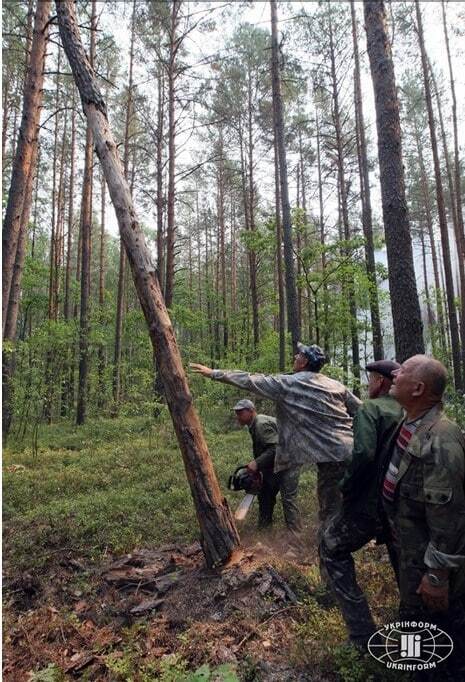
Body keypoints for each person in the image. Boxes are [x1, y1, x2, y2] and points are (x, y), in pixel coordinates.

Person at [191, 342, 361, 541]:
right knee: (346, 504)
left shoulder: (287, 384)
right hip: (352, 451)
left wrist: (215, 373)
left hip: (333, 458)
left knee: (330, 513)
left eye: (299, 355)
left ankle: (330, 553)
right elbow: (362, 411)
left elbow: (250, 380)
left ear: (305, 361)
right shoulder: (336, 385)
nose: (295, 357)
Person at [383, 355, 465, 678]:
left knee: (442, 654)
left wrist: (437, 578)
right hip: (411, 564)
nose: (395, 373)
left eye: (402, 370)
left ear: (417, 388)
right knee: (416, 646)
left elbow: (449, 519)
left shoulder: (441, 440)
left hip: (430, 579)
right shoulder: (409, 423)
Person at [320, 359, 403, 647]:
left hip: (372, 506)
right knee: (404, 567)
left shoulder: (372, 409)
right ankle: (415, 639)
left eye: (370, 379)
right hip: (405, 510)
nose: (368, 384)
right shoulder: (412, 411)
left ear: (380, 382)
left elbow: (364, 454)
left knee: (331, 546)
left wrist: (347, 487)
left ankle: (362, 636)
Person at [232, 398, 280, 528]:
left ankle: (294, 535)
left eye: (241, 413)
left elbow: (275, 448)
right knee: (265, 494)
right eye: (237, 413)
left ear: (251, 411)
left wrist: (257, 463)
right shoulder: (254, 424)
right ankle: (265, 529)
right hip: (276, 462)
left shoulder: (260, 424)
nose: (238, 417)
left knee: (286, 499)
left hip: (287, 461)